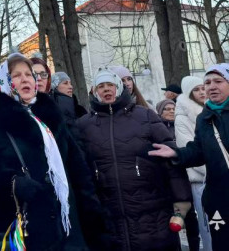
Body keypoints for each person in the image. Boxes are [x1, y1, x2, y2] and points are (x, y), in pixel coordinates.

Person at [0, 54, 109, 250]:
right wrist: (12, 183)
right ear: (3, 81)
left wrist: (92, 211)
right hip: (27, 229)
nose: (25, 79)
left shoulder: (51, 116)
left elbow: (77, 168)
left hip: (70, 225)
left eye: (29, 75)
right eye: (16, 75)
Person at [149, 63, 229, 251]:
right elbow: (199, 150)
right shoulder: (205, 116)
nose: (211, 86)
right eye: (207, 82)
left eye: (218, 81)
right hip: (219, 200)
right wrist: (176, 153)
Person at [76, 69, 191, 251]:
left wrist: (181, 204)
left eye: (110, 85)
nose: (106, 90)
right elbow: (80, 172)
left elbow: (171, 161)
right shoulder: (83, 125)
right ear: (94, 91)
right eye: (101, 86)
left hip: (153, 216)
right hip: (110, 217)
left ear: (119, 88)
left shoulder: (145, 116)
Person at [175, 76, 212, 251]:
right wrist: (215, 170)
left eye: (202, 87)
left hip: (221, 178)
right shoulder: (182, 118)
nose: (202, 92)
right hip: (201, 179)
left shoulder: (211, 110)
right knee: (208, 226)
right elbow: (190, 150)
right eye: (196, 90)